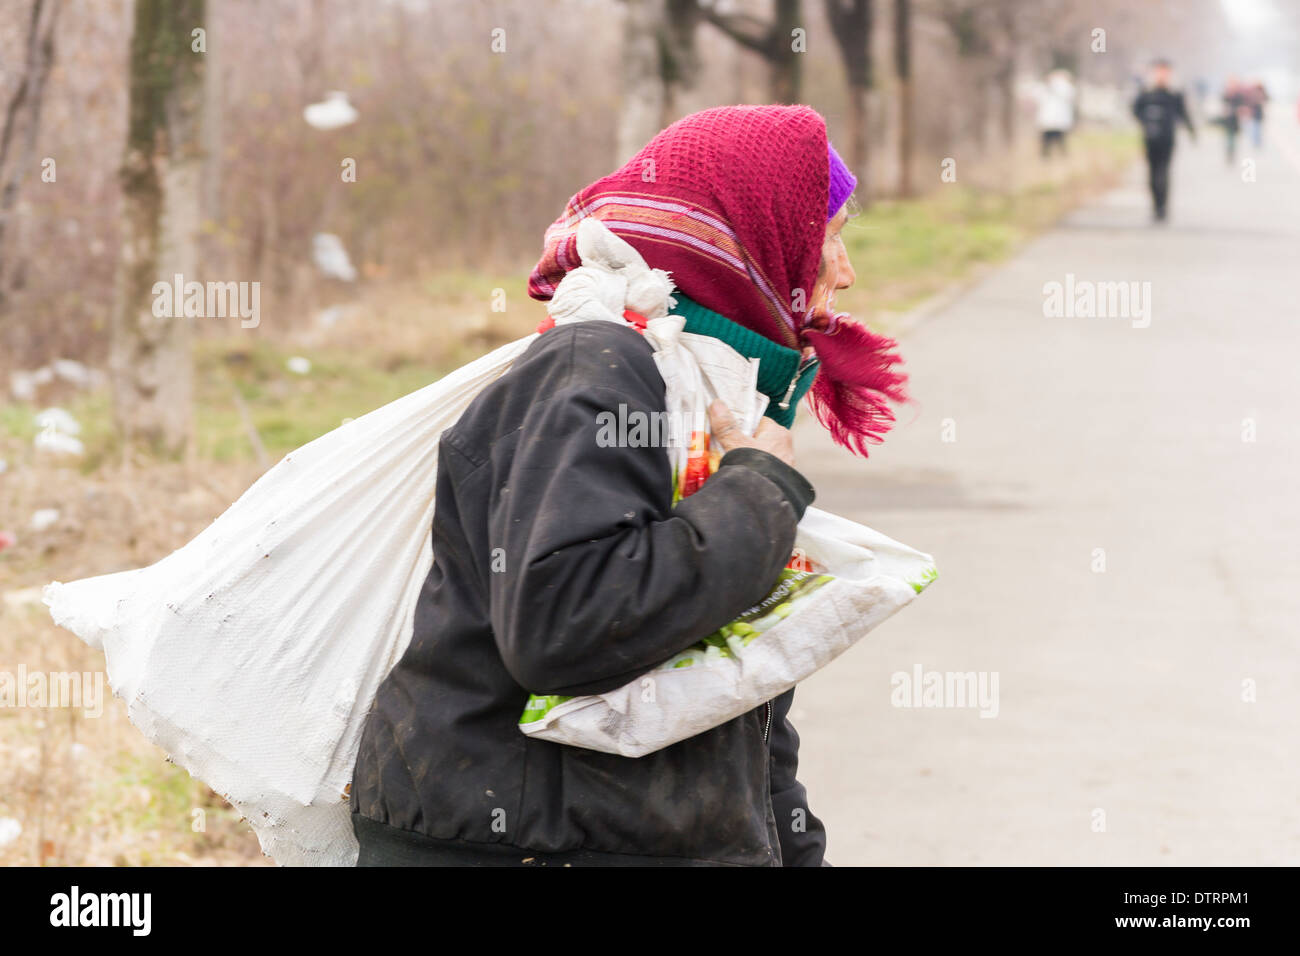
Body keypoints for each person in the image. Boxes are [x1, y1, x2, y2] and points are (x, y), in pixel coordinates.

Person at [348, 105, 908, 866]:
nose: (845, 271)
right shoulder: (597, 371)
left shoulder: (696, 382)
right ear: (758, 241)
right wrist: (758, 496)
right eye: (832, 237)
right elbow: (562, 626)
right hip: (521, 842)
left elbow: (732, 680)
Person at [1132, 58, 1196, 222]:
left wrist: (1191, 131)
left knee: (1164, 172)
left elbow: (1183, 113)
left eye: (1165, 71)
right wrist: (1145, 122)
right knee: (1152, 172)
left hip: (1167, 138)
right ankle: (1155, 205)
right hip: (1150, 137)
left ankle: (1163, 207)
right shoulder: (1146, 92)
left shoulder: (1174, 93)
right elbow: (1135, 110)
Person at [1034, 69, 1077, 159]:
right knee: (1047, 144)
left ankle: (1059, 159)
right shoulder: (1045, 87)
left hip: (1058, 122)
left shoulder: (1066, 88)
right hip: (1049, 121)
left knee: (1059, 143)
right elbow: (1037, 98)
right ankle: (1047, 158)